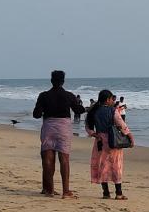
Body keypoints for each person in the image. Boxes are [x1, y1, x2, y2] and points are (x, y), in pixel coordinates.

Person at [32, 70, 85, 198]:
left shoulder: (44, 96)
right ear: (63, 81)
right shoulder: (69, 95)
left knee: (48, 160)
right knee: (64, 160)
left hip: (48, 128)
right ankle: (66, 191)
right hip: (64, 129)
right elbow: (79, 110)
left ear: (51, 81)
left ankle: (49, 190)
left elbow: (36, 115)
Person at [85, 89, 133, 200]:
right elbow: (121, 124)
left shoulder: (94, 111)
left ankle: (106, 193)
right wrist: (130, 136)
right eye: (112, 99)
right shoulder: (112, 111)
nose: (113, 101)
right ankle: (119, 193)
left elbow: (88, 126)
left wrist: (94, 134)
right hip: (113, 141)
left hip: (100, 141)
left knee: (102, 166)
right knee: (116, 166)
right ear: (107, 99)